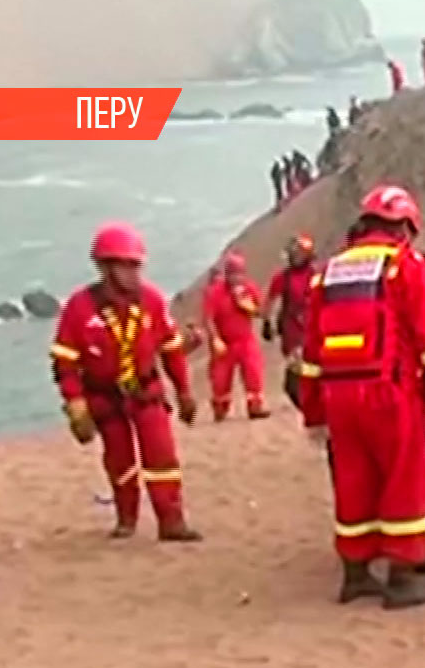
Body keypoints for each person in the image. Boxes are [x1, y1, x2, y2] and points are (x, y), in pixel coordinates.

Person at [297, 185, 425, 607]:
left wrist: (313, 412)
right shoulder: (405, 267)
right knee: (406, 478)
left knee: (354, 480)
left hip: (338, 397)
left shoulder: (327, 273)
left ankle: (356, 574)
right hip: (390, 392)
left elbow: (311, 352)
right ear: (405, 228)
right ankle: (403, 578)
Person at [50, 224, 201, 542]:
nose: (134, 273)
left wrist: (185, 392)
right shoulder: (79, 307)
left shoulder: (152, 300)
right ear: (105, 267)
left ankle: (171, 521)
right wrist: (76, 407)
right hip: (105, 399)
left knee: (162, 458)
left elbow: (171, 351)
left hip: (146, 393)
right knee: (119, 461)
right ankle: (126, 517)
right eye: (126, 265)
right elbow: (65, 362)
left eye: (137, 265)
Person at [201, 252, 269, 421]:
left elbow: (262, 312)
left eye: (240, 274)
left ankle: (255, 407)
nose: (237, 278)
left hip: (245, 340)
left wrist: (250, 307)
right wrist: (215, 338)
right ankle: (220, 408)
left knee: (254, 373)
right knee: (220, 379)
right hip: (225, 342)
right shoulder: (215, 292)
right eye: (233, 274)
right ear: (227, 274)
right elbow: (208, 318)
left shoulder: (249, 288)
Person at [263, 235, 319, 409]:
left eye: (296, 254)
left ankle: (316, 406)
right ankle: (311, 406)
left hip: (314, 330)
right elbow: (269, 302)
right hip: (293, 333)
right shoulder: (282, 278)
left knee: (309, 373)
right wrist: (267, 322)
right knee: (295, 379)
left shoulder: (317, 275)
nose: (292, 258)